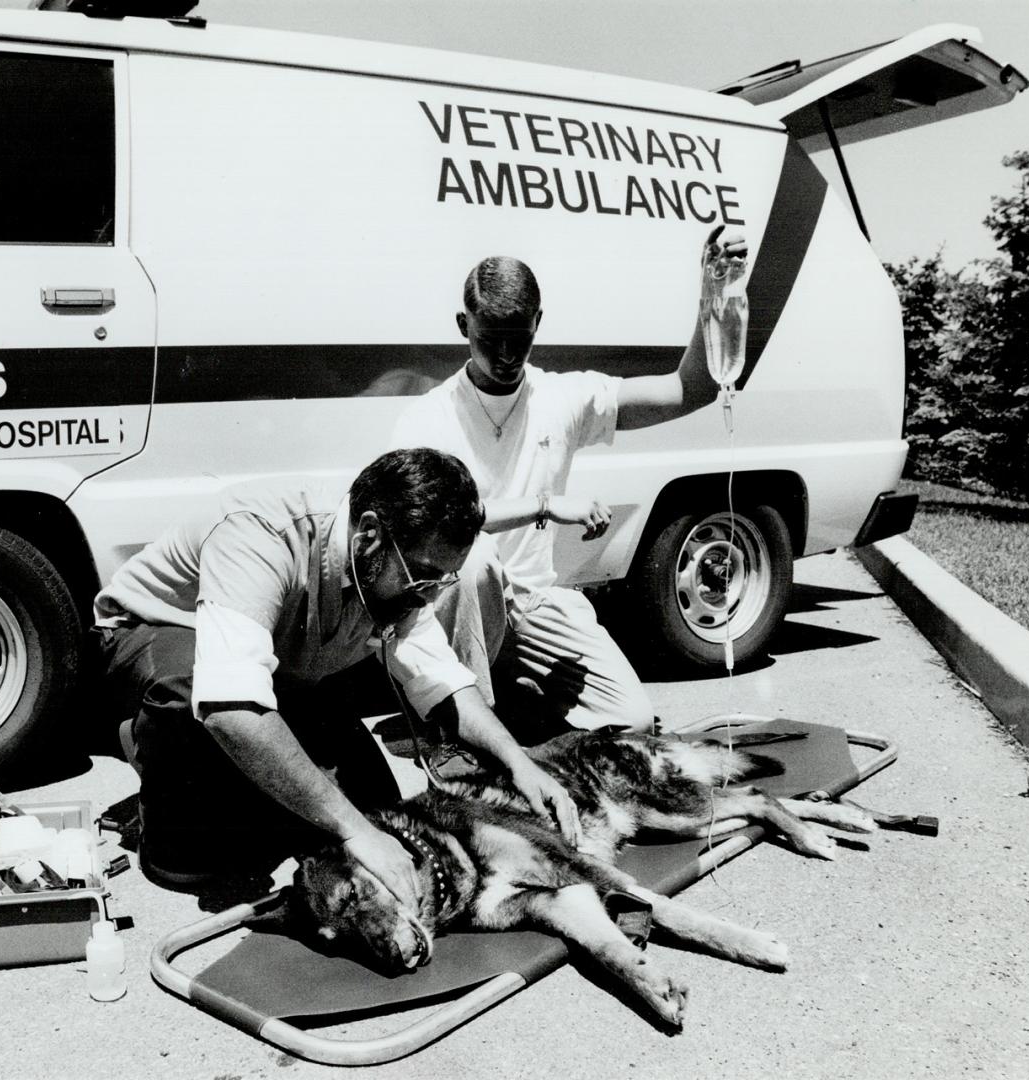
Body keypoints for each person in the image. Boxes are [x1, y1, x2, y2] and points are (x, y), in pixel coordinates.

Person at [95, 448, 579, 900]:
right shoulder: (262, 531)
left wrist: (520, 763)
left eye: (442, 581)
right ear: (369, 535)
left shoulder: (394, 564)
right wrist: (354, 831)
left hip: (278, 663)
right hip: (153, 635)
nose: (429, 598)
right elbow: (231, 707)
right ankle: (162, 806)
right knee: (197, 704)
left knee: (383, 815)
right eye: (423, 578)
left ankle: (231, 786)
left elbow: (443, 680)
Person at [392, 226, 748, 735]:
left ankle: (511, 699)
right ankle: (456, 731)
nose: (507, 356)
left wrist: (714, 295)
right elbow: (427, 527)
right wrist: (544, 504)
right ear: (462, 324)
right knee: (473, 559)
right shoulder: (427, 420)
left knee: (633, 722)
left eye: (521, 340)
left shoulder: (563, 398)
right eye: (489, 340)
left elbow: (689, 390)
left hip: (536, 604)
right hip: (454, 604)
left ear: (538, 323)